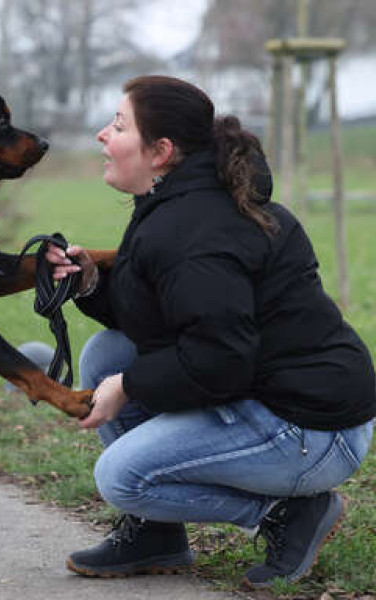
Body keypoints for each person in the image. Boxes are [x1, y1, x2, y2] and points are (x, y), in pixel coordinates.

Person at [46, 75, 375, 588]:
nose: (102, 136)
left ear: (161, 151)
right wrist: (90, 283)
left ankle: (283, 513)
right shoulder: (176, 205)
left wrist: (128, 387)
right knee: (107, 353)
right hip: (264, 392)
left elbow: (220, 357)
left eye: (117, 125)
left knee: (121, 477)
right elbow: (164, 319)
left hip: (312, 428)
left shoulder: (195, 231)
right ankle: (157, 533)